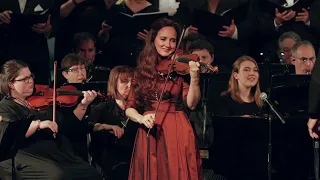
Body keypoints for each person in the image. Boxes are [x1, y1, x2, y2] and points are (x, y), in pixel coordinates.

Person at [125, 18, 203, 180]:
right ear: (153, 40)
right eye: (163, 39)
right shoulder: (142, 70)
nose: (168, 44)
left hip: (176, 128)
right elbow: (129, 108)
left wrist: (195, 78)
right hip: (149, 130)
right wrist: (141, 117)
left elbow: (192, 104)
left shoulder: (181, 69)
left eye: (173, 40)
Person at [0, 59, 102, 179]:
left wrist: (83, 105)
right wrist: (38, 124)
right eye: (25, 79)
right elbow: (8, 133)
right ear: (11, 84)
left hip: (55, 153)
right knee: (58, 175)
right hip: (27, 155)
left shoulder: (38, 103)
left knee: (91, 173)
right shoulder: (5, 106)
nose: (31, 81)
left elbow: (66, 126)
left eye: (31, 76)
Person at [87, 65, 138, 180]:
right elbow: (89, 125)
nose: (129, 86)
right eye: (124, 81)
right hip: (112, 156)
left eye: (132, 82)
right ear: (114, 83)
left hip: (134, 154)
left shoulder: (138, 107)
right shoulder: (104, 107)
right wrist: (107, 126)